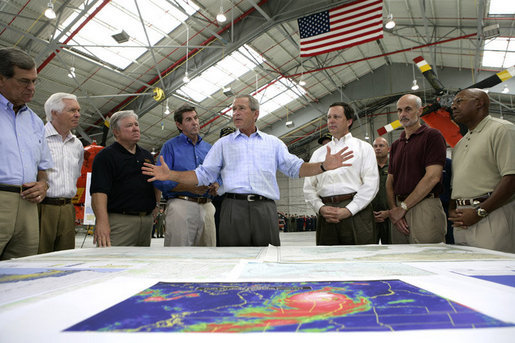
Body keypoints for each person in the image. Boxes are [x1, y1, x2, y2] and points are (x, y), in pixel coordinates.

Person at [142, 94, 353, 247]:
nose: (235, 113)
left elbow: (296, 168)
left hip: (265, 210)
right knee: (232, 259)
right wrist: (170, 175)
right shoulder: (223, 144)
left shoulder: (273, 143)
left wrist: (323, 166)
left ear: (256, 114)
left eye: (241, 108)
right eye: (233, 109)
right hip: (233, 209)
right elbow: (203, 174)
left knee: (268, 259)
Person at [0, 47, 53, 260]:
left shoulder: (35, 121)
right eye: (24, 81)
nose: (31, 88)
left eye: (34, 81)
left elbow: (43, 167)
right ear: (1, 79)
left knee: (22, 271)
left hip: (29, 206)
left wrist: (43, 185)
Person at [449, 88, 515, 253]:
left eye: (459, 101)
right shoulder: (460, 144)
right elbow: (455, 185)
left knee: (495, 273)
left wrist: (480, 212)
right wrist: (452, 209)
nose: (453, 107)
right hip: (462, 222)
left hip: (492, 217)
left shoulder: (502, 130)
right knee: (465, 275)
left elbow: (511, 178)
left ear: (479, 103)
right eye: (453, 103)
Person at [304, 102, 378, 245]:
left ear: (349, 121)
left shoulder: (363, 148)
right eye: (329, 117)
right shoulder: (319, 153)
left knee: (359, 260)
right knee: (328, 262)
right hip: (326, 214)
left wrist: (349, 210)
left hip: (356, 212)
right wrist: (320, 208)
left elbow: (371, 184)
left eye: (336, 117)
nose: (331, 121)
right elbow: (308, 187)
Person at [90, 110, 161, 247]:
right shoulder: (106, 156)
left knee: (141, 265)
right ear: (116, 132)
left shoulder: (146, 156)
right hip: (119, 222)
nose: (135, 128)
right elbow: (99, 192)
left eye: (136, 124)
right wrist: (102, 222)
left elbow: (155, 182)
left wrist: (157, 205)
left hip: (145, 222)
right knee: (112, 264)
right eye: (129, 125)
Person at [154, 105, 218, 247]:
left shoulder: (209, 148)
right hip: (181, 205)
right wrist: (188, 187)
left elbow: (218, 174)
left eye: (195, 118)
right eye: (188, 119)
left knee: (209, 256)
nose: (195, 122)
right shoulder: (170, 147)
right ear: (179, 125)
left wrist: (217, 184)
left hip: (207, 206)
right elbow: (159, 179)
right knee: (178, 253)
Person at [386, 94, 447, 244]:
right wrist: (394, 210)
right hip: (399, 211)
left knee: (428, 258)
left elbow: (433, 177)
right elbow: (389, 182)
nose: (402, 114)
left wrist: (403, 207)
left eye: (408, 109)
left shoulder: (432, 136)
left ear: (419, 111)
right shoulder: (395, 145)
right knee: (400, 260)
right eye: (399, 110)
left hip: (424, 207)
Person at [38, 93, 84, 254]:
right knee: (39, 255)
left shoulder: (77, 145)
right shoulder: (38, 138)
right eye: (72, 110)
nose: (77, 114)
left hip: (67, 208)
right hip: (42, 208)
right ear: (54, 113)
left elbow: (76, 174)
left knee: (64, 258)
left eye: (78, 110)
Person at [371, 136, 391, 244]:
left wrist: (390, 212)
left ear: (388, 149)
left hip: (390, 216)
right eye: (375, 146)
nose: (378, 148)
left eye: (381, 145)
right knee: (368, 250)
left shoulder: (395, 166)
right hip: (371, 217)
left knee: (392, 250)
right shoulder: (368, 168)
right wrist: (369, 213)